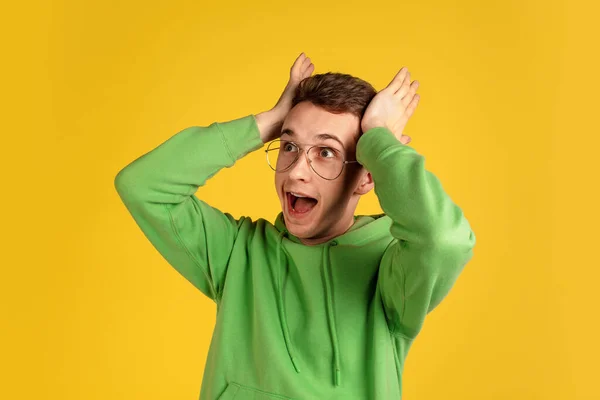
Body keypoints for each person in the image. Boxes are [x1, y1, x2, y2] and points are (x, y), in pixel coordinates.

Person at [115, 53, 476, 400]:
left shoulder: (391, 269)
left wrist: (379, 140)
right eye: (289, 146)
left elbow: (444, 239)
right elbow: (143, 186)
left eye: (326, 152)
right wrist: (270, 121)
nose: (297, 170)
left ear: (366, 176)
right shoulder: (237, 252)